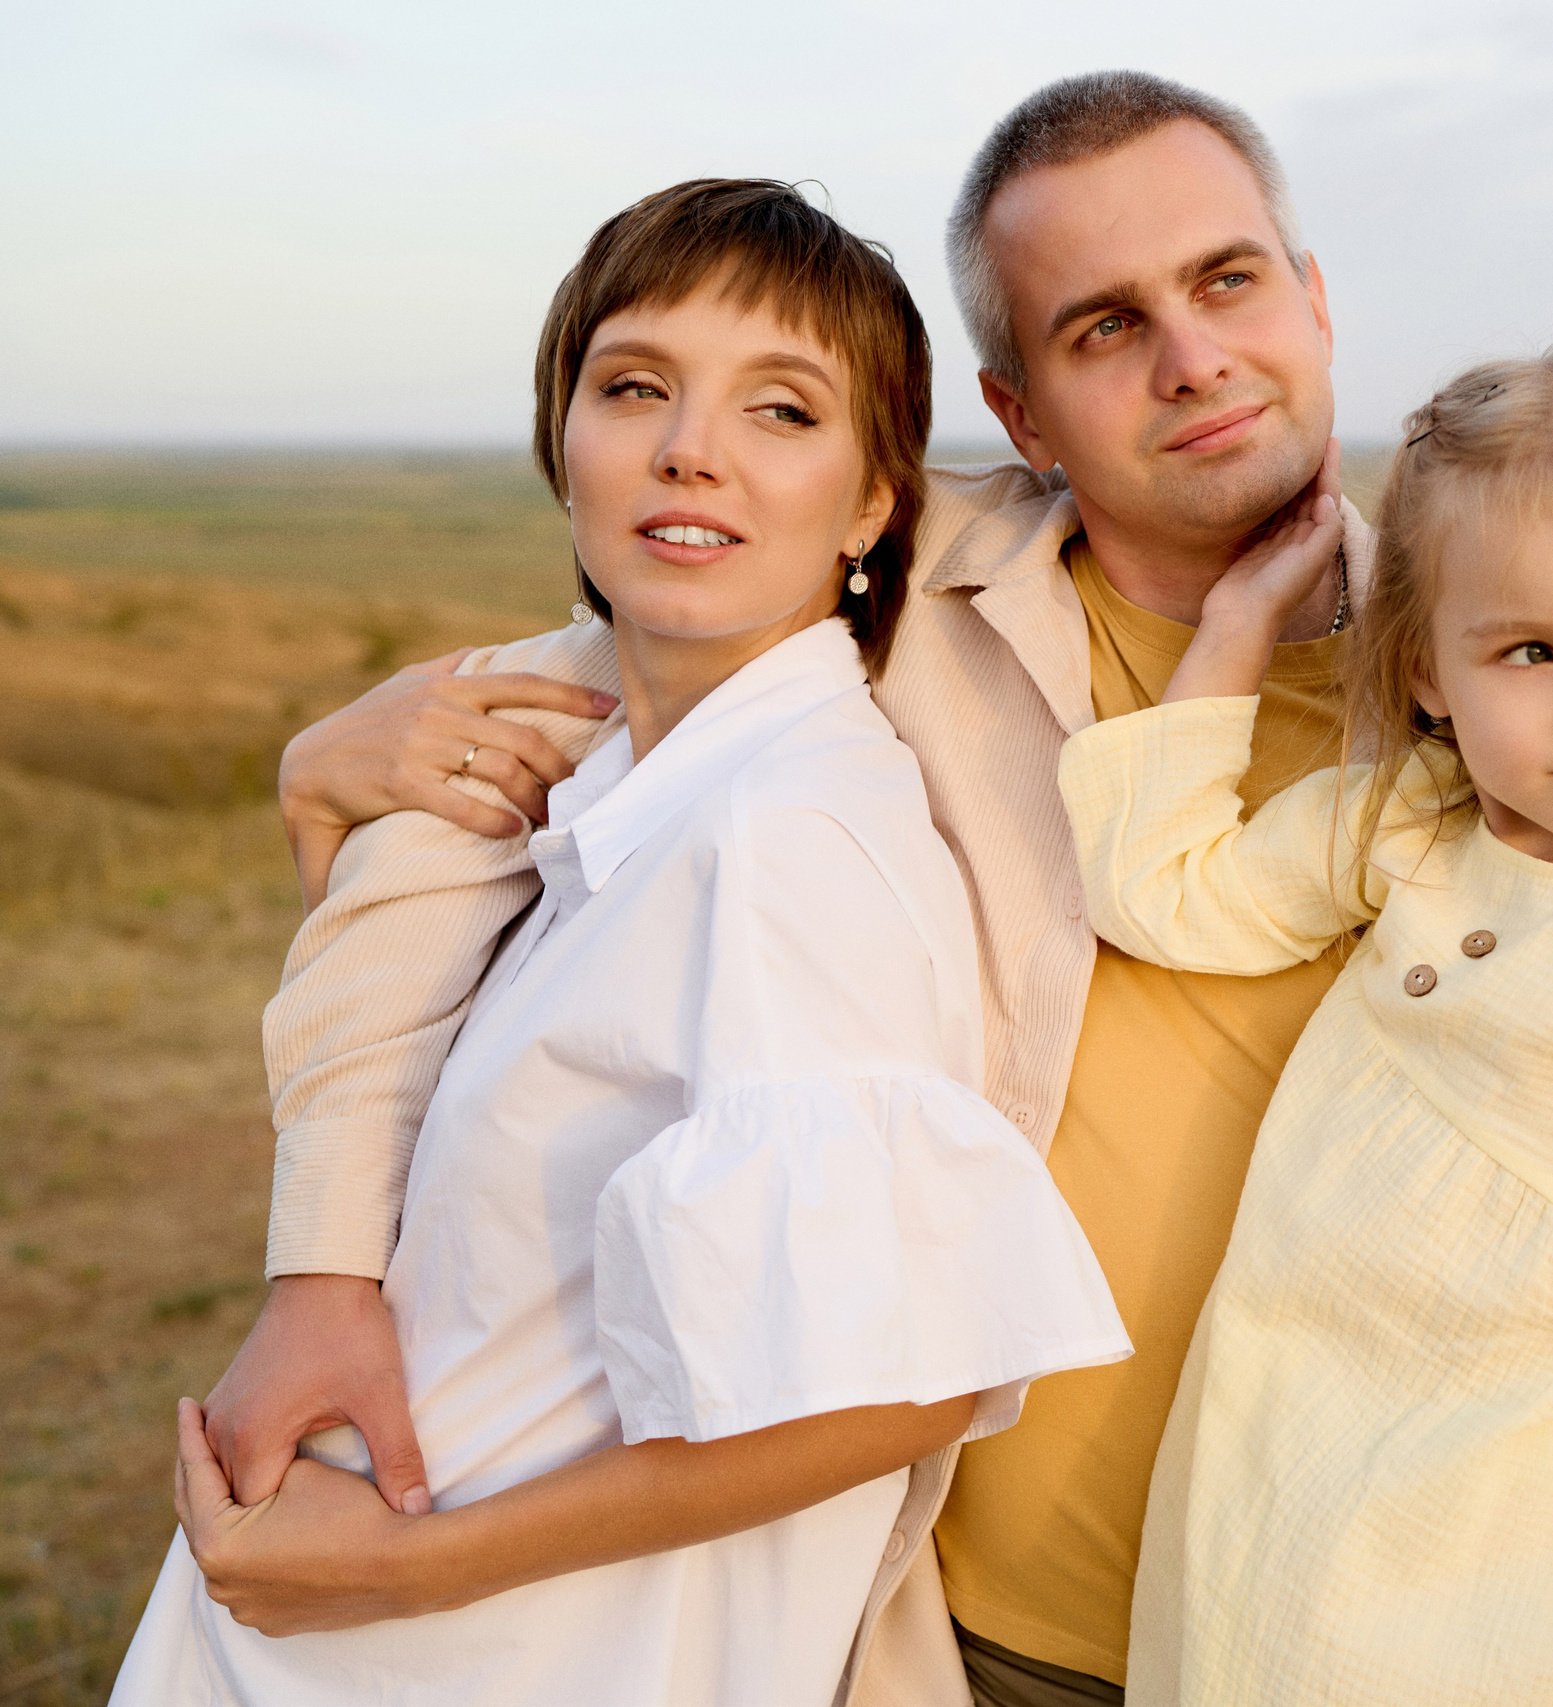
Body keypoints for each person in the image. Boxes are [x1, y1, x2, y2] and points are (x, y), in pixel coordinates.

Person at [201, 75, 1553, 1707]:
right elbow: (473, 794)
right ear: (1015, 409)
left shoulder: (1528, 670)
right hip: (972, 1623)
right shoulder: (881, 608)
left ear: (1312, 301)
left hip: (1399, 1624)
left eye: (1228, 282)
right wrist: (326, 1251)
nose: (1193, 360)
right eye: (1103, 327)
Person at [110, 178, 1127, 1707]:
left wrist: (404, 1568)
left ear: (871, 505)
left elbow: (908, 1381)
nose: (687, 446)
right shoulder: (613, 793)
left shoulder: (787, 845)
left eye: (781, 410)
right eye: (634, 386)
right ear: (563, 441)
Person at [1061, 345, 1553, 1705]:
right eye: (1532, 650)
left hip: (1527, 1627)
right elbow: (1164, 893)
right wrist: (1241, 624)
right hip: (1272, 1584)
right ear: (1428, 667)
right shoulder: (1408, 827)